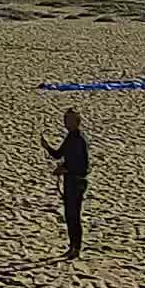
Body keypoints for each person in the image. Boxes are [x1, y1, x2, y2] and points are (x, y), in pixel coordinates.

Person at [41, 107, 90, 259]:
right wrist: (47, 146)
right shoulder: (70, 137)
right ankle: (72, 246)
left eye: (69, 120)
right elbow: (58, 154)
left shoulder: (79, 139)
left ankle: (76, 248)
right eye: (65, 120)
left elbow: (83, 166)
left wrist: (65, 169)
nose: (66, 123)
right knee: (69, 216)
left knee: (74, 216)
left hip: (77, 182)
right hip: (69, 182)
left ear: (77, 122)